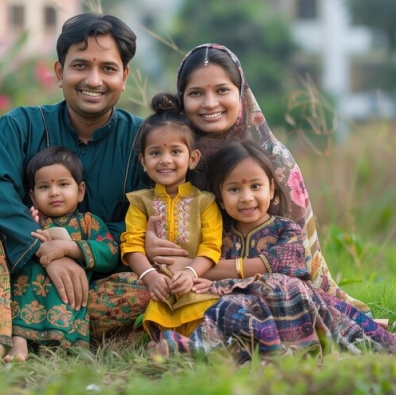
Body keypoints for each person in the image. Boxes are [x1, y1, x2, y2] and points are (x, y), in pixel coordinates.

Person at [0, 12, 150, 366]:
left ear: (125, 76)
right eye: (81, 66)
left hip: (83, 295)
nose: (94, 80)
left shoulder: (144, 142)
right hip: (7, 287)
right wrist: (47, 253)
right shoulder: (19, 125)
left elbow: (141, 227)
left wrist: (75, 250)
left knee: (150, 286)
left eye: (108, 69)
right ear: (59, 73)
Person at [145, 43, 370, 314]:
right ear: (183, 99)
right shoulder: (170, 155)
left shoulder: (273, 159)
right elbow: (149, 215)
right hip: (188, 281)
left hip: (265, 283)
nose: (210, 103)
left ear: (240, 94)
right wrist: (151, 244)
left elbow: (294, 255)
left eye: (222, 90)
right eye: (196, 93)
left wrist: (204, 268)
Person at [150, 140, 396, 360]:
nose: (246, 197)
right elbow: (200, 271)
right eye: (234, 189)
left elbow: (284, 269)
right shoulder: (218, 236)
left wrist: (216, 280)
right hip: (244, 310)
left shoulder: (285, 229)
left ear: (272, 189)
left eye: (255, 186)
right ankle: (199, 349)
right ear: (221, 199)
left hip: (288, 304)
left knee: (280, 284)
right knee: (228, 307)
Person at [120, 93, 222, 340]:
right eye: (155, 153)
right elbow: (132, 244)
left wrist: (190, 274)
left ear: (192, 158)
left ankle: (193, 342)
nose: (165, 160)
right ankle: (160, 340)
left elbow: (211, 246)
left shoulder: (205, 202)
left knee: (206, 308)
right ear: (143, 161)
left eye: (176, 151)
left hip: (193, 278)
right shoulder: (140, 202)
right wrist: (150, 276)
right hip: (155, 280)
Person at [7, 146, 119, 361]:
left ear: (80, 191)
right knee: (27, 271)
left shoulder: (88, 223)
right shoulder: (31, 222)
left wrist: (70, 248)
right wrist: (31, 227)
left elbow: (110, 253)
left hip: (68, 297)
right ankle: (18, 344)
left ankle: (62, 346)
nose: (54, 192)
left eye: (63, 184)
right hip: (28, 293)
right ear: (32, 195)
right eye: (44, 187)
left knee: (68, 322)